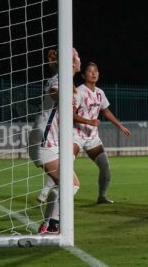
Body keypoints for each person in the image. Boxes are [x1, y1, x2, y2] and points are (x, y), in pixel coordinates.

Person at [35, 48, 96, 234]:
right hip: (45, 141)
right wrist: (60, 96)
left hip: (49, 140)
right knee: (71, 184)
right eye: (77, 57)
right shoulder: (60, 79)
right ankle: (51, 226)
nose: (80, 60)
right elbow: (54, 91)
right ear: (71, 62)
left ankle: (48, 224)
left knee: (68, 184)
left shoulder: (67, 81)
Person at [73, 62, 131, 204]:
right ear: (83, 75)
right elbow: (70, 113)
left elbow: (106, 111)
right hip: (76, 135)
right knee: (65, 165)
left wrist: (120, 126)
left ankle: (102, 196)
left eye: (96, 71)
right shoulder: (79, 91)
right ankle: (46, 193)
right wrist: (89, 122)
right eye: (90, 71)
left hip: (92, 138)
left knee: (105, 166)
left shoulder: (100, 93)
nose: (94, 73)